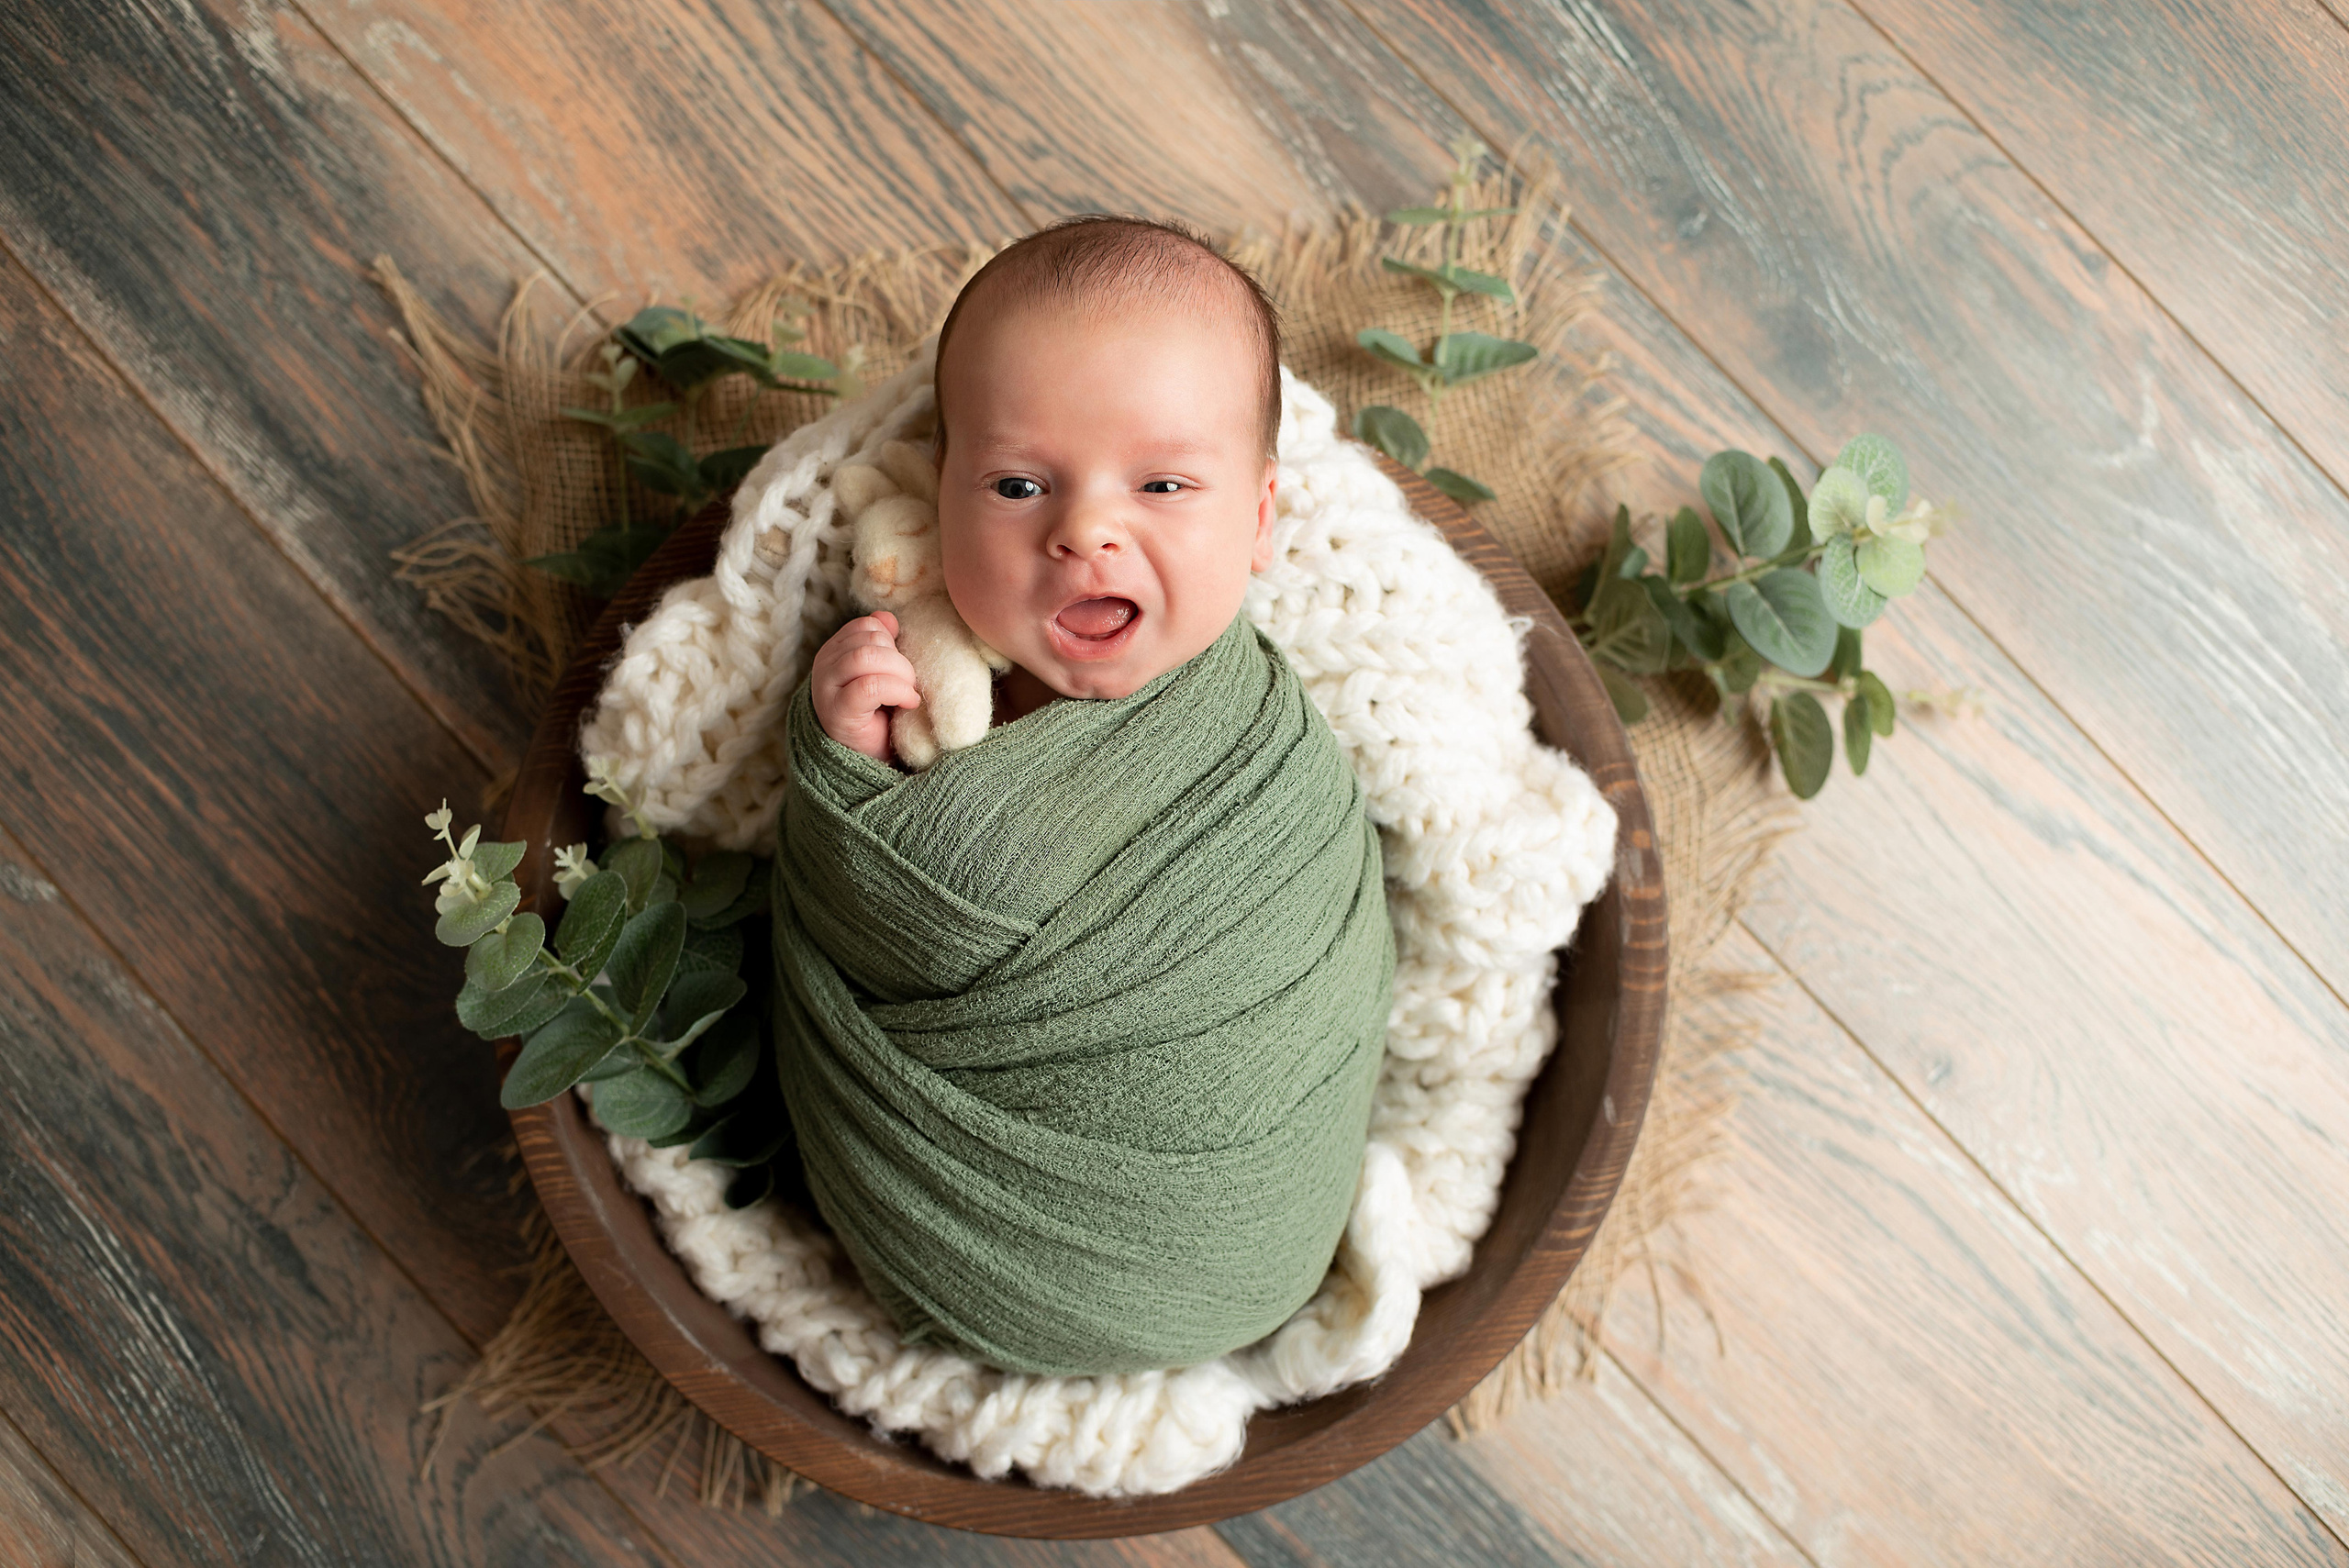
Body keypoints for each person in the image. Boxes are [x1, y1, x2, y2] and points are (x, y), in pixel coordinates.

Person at [770, 216, 1395, 1377]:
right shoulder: (925, 673)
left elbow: (1327, 931)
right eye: (1016, 484)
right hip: (958, 1224)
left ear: (1257, 521)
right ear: (937, 498)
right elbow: (858, 913)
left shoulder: (1258, 752)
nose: (1086, 531)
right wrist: (841, 758)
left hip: (1245, 1228)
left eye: (1163, 483)